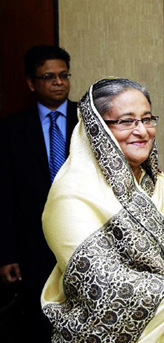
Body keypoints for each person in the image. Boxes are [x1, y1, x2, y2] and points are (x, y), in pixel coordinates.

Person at [40, 77, 164, 342]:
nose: (142, 131)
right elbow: (107, 285)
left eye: (147, 119)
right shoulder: (72, 196)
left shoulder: (158, 183)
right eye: (126, 121)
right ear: (97, 128)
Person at [0, 45, 78, 342]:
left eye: (64, 75)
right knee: (38, 328)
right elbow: (4, 195)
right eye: (48, 77)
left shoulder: (89, 123)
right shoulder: (11, 130)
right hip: (32, 249)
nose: (59, 82)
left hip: (82, 242)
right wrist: (6, 254)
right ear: (31, 83)